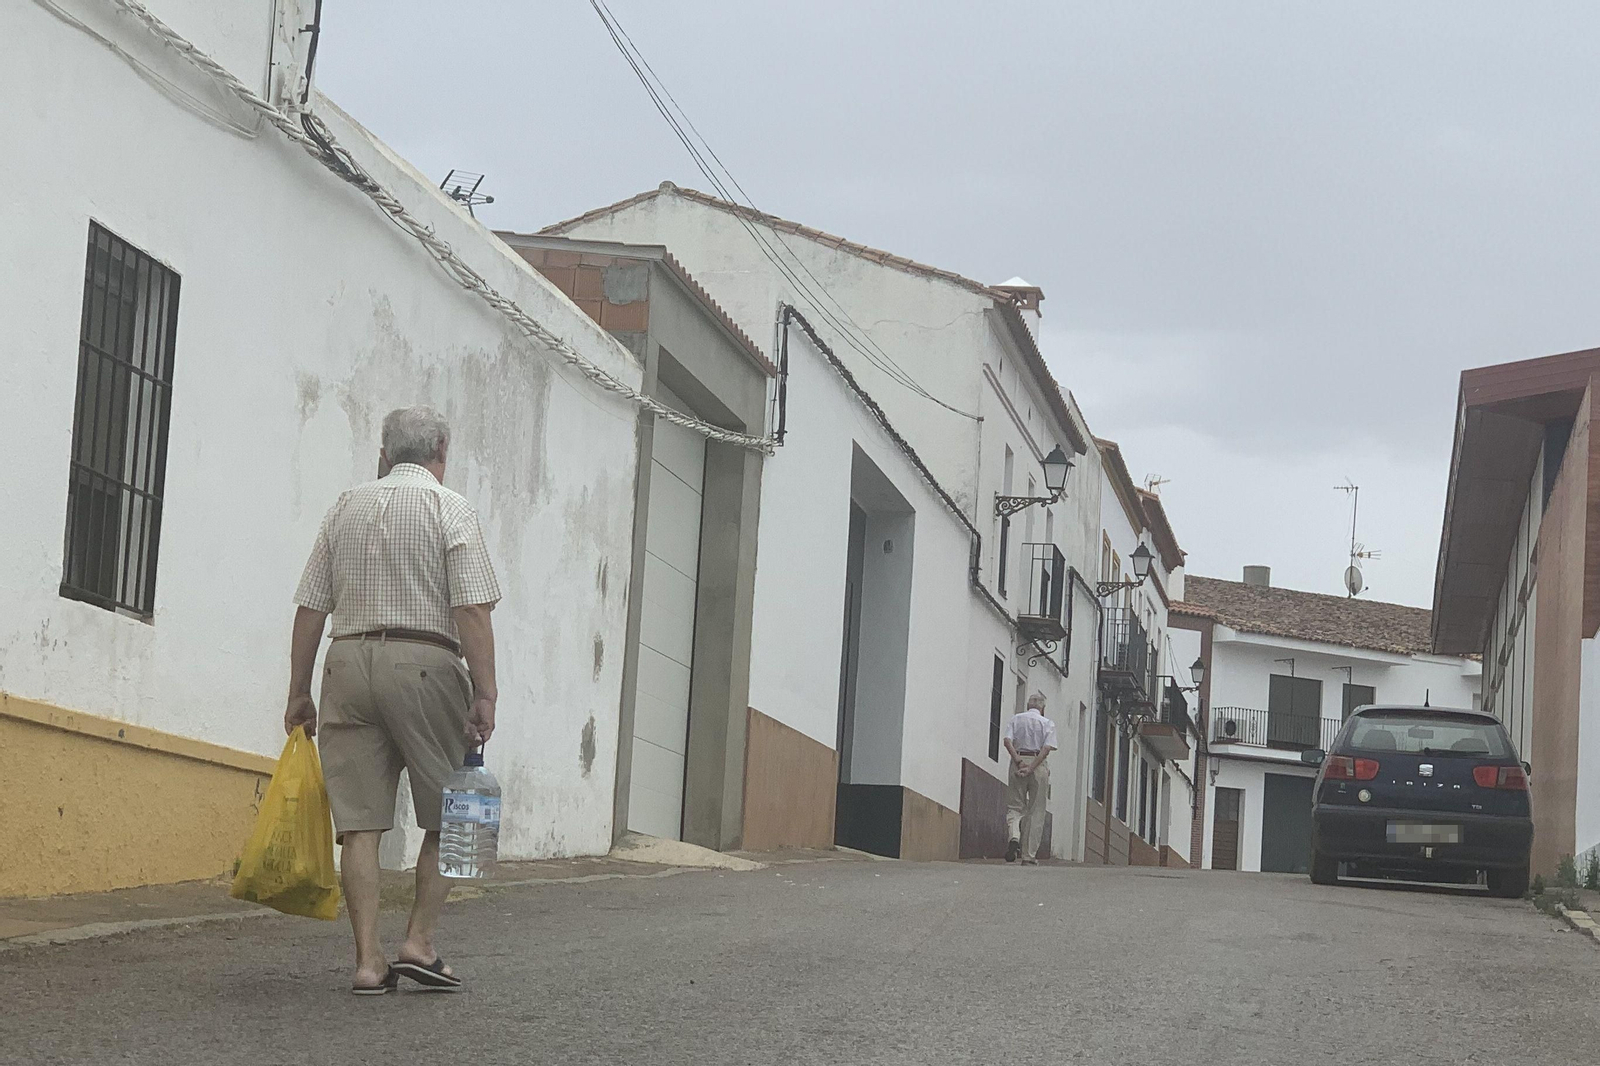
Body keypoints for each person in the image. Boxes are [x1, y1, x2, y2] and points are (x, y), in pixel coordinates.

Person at [285, 405, 502, 995]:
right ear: (441, 455)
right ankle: (419, 942)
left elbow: (310, 607)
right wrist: (485, 692)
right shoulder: (449, 507)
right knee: (455, 815)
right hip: (426, 664)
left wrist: (298, 690)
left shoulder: (344, 507)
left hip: (349, 661)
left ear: (383, 456)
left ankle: (367, 961)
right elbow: (472, 609)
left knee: (359, 824)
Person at [1003, 692, 1057, 865]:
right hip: (1038, 765)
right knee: (1036, 810)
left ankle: (1014, 837)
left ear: (1028, 706)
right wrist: (1032, 767)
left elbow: (1007, 741)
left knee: (1014, 806)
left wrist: (1018, 761)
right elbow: (1047, 748)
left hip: (1017, 762)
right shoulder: (1047, 723)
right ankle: (1028, 856)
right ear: (1043, 708)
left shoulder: (1016, 719)